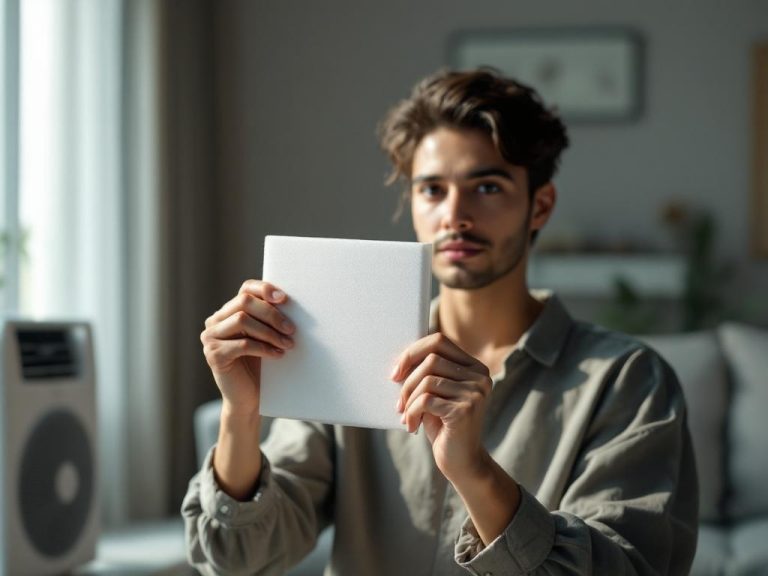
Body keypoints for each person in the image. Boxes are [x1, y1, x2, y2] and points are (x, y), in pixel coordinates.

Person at [182, 68, 698, 575]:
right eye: (431, 189)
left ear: (539, 205)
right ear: (411, 203)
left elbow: (627, 567)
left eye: (488, 186)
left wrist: (473, 471)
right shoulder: (343, 349)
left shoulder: (629, 381)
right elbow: (235, 558)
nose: (455, 214)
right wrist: (241, 415)